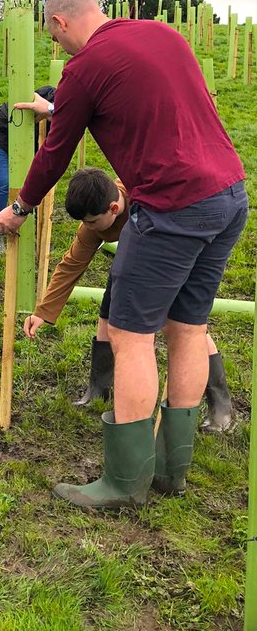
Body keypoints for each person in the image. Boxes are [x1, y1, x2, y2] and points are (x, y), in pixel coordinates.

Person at [0, 0, 247, 510]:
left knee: (132, 337)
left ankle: (123, 482)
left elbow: (56, 154)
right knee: (189, 328)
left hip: (172, 206)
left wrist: (18, 208)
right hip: (228, 195)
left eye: (54, 37)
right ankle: (172, 472)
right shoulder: (163, 35)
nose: (59, 49)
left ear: (61, 23)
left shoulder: (83, 68)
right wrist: (61, 106)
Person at [23, 167, 232, 432]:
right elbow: (72, 264)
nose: (86, 228)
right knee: (111, 308)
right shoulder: (97, 219)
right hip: (135, 250)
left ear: (113, 208)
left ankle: (221, 407)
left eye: (91, 222)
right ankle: (99, 390)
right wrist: (44, 311)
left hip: (175, 242)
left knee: (184, 322)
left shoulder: (145, 198)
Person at [0, 84, 56, 255]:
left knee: (31, 185)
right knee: (3, 183)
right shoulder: (40, 99)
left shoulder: (61, 120)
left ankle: (33, 231)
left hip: (26, 145)